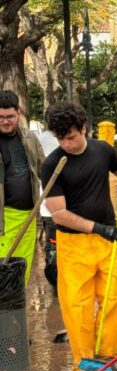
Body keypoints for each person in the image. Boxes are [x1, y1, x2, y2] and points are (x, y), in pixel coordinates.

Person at [42, 102, 117, 371]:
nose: (66, 143)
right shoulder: (52, 163)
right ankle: (83, 364)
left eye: (71, 136)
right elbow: (59, 213)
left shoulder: (102, 150)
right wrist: (96, 228)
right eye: (60, 138)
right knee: (77, 305)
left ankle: (105, 356)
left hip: (106, 241)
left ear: (84, 128)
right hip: (73, 245)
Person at [0, 90, 45, 284]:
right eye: (0, 117)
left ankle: (17, 310)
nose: (5, 121)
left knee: (22, 269)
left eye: (10, 116)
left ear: (19, 113)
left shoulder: (29, 138)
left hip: (29, 215)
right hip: (4, 218)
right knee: (3, 268)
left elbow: (45, 168)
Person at [37, 128, 60, 291]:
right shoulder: (68, 138)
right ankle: (57, 281)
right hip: (57, 207)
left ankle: (55, 281)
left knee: (52, 244)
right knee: (56, 244)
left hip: (47, 207)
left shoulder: (36, 139)